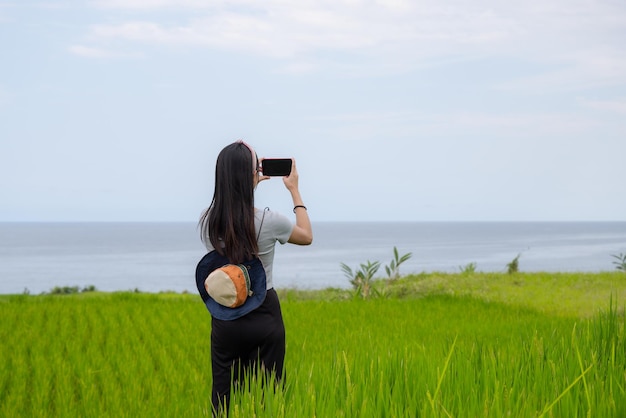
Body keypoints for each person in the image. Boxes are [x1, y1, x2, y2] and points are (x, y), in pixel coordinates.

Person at [198, 140, 313, 415]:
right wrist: (294, 190)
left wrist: (247, 183)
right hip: (264, 316)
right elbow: (306, 236)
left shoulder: (208, 222)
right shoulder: (270, 221)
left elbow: (233, 231)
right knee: (269, 401)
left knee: (223, 402)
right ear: (253, 175)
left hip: (226, 318)